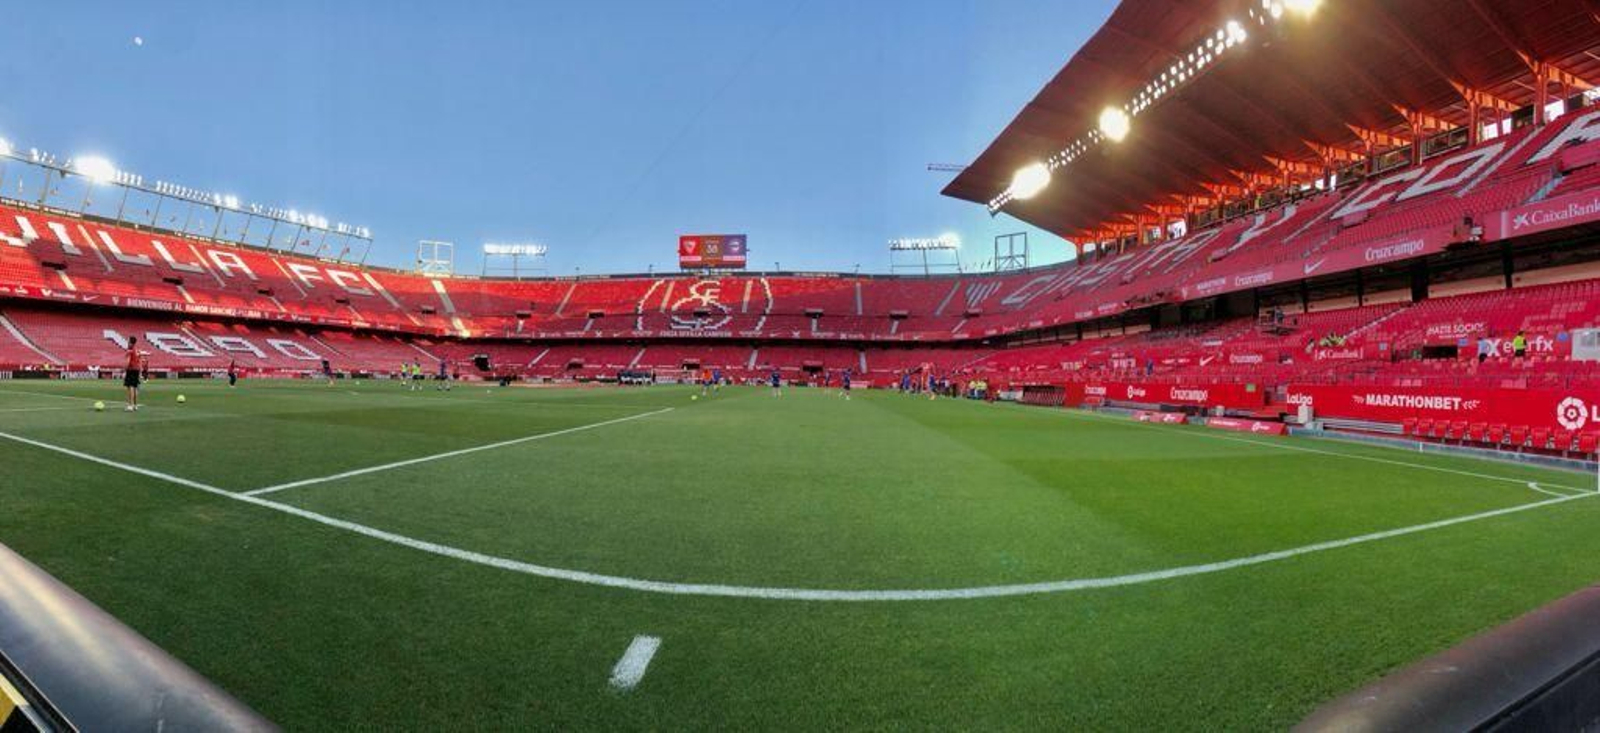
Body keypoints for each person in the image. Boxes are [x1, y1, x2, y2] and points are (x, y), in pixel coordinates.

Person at [123, 336, 146, 412]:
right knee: (135, 387)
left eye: (128, 341)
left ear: (131, 342)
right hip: (136, 370)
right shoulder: (137, 350)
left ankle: (130, 405)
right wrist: (140, 372)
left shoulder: (130, 350)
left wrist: (124, 370)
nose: (127, 342)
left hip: (131, 370)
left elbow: (128, 361)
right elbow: (139, 361)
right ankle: (135, 405)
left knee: (130, 387)